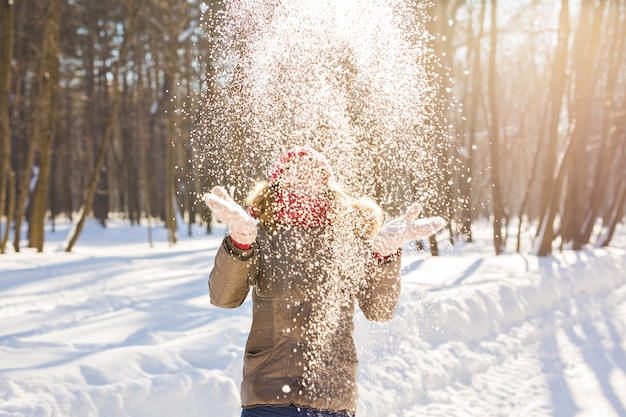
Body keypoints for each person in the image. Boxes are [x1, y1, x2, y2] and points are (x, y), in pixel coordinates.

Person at [204, 147, 445, 417]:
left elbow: (379, 310)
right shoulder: (260, 233)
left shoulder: (349, 236)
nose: (303, 179)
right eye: (293, 172)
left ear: (326, 183)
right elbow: (223, 297)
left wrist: (383, 255)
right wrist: (240, 241)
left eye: (313, 173)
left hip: (331, 398)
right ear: (278, 181)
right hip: (268, 398)